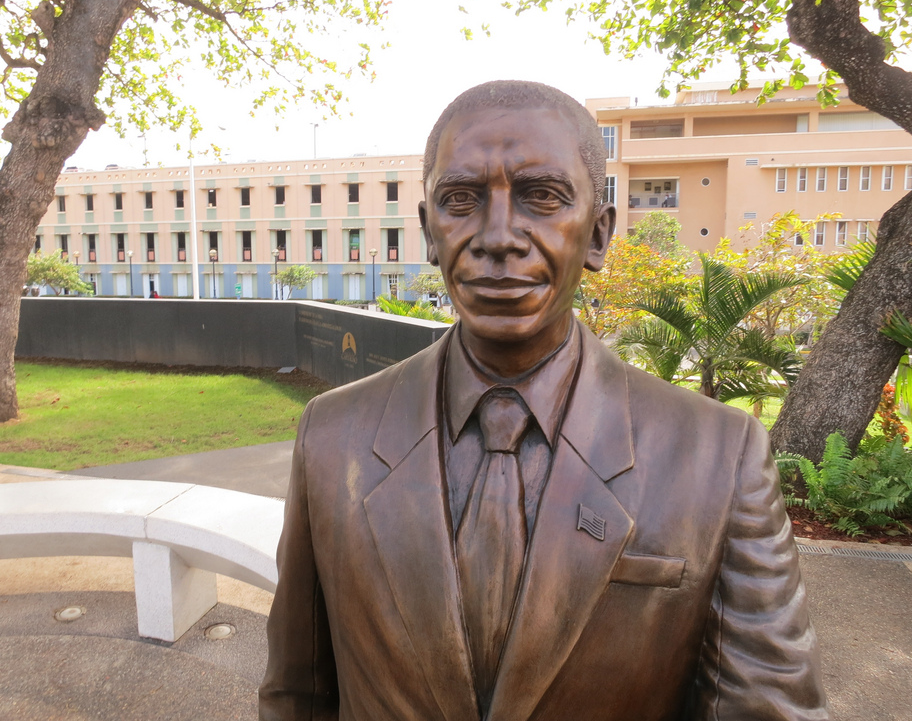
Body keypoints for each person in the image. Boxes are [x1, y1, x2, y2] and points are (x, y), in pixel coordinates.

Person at [260, 80, 827, 720]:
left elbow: (769, 708)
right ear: (427, 231)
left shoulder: (719, 456)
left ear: (598, 236)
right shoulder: (331, 437)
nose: (498, 236)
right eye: (460, 200)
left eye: (542, 197)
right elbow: (296, 693)